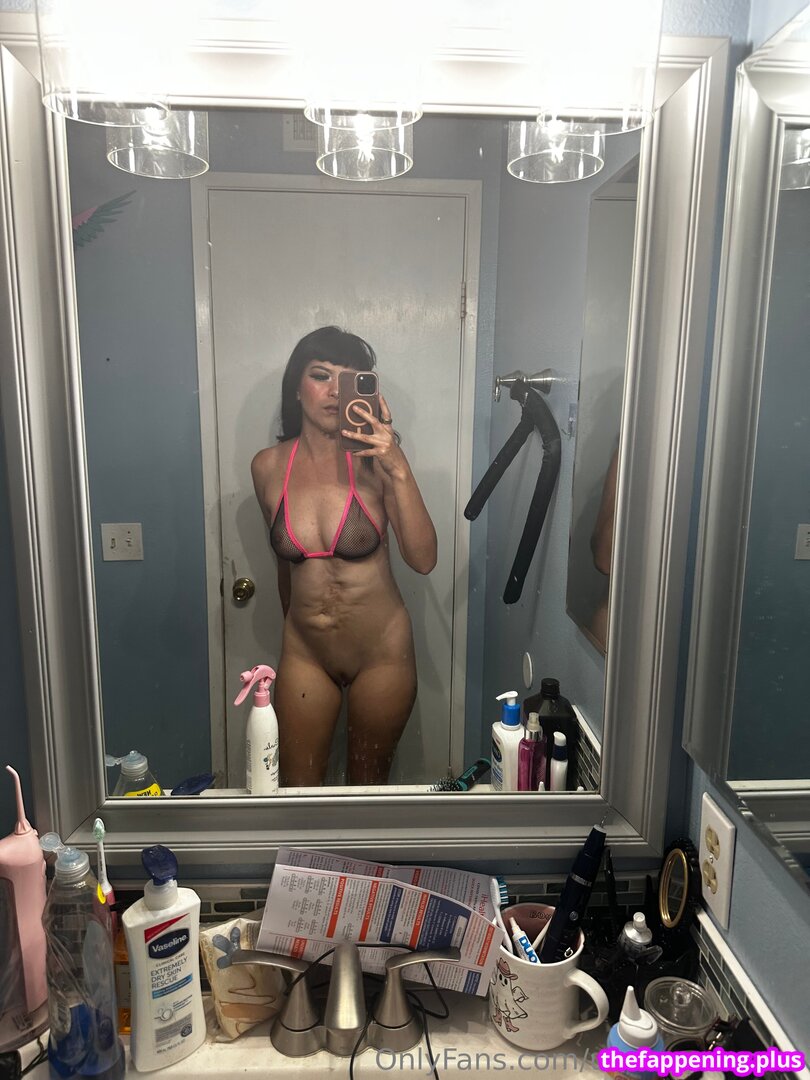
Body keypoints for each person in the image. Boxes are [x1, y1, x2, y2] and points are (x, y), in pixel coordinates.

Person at [250, 326, 437, 787]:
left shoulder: (378, 463)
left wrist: (398, 465)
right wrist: (297, 625)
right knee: (296, 793)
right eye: (320, 376)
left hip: (382, 654)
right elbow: (284, 567)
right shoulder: (267, 466)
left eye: (349, 379)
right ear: (296, 389)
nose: (335, 391)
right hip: (306, 654)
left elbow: (424, 559)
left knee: (365, 792)